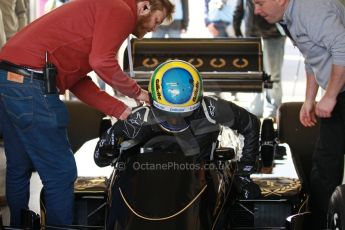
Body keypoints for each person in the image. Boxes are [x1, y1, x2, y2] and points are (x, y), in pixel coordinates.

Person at [0, 0, 174, 227]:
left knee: (18, 166)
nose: (154, 28)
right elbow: (102, 61)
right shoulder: (121, 10)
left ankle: (16, 225)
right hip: (32, 82)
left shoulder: (102, 11)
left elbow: (77, 80)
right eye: (156, 21)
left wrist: (121, 110)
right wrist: (138, 93)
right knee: (61, 174)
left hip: (8, 76)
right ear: (144, 7)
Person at [94, 60, 261, 228]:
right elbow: (100, 159)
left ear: (197, 101)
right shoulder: (138, 119)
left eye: (184, 114)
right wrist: (113, 140)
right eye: (167, 113)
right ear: (153, 101)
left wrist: (244, 173)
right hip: (144, 185)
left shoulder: (212, 109)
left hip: (198, 184)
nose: (175, 119)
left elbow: (251, 123)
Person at [253, 0, 345, 229]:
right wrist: (310, 99)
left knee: (325, 167)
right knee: (325, 166)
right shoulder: (289, 17)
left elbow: (343, 47)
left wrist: (331, 95)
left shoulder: (310, 9)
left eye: (259, 2)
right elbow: (311, 55)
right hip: (339, 92)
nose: (256, 10)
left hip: (340, 92)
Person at [233, 0, 286, 120]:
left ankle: (272, 110)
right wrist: (237, 26)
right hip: (253, 33)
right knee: (255, 74)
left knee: (272, 76)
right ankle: (256, 108)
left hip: (273, 33)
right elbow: (240, 5)